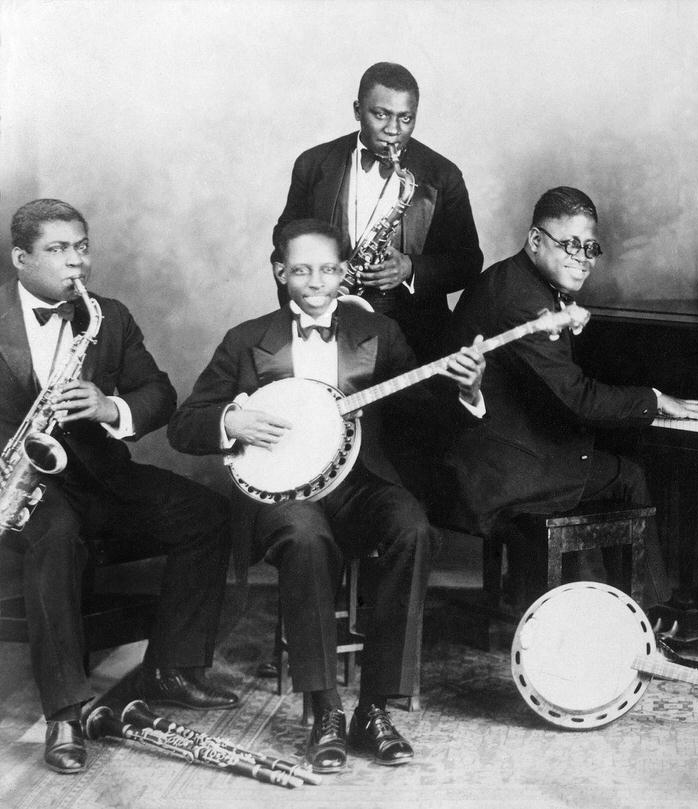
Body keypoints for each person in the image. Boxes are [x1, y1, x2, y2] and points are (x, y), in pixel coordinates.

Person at [169, 219, 485, 773]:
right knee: (305, 537)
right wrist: (231, 421)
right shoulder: (246, 339)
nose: (316, 281)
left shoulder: (380, 332)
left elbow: (426, 417)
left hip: (361, 484)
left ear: (344, 273)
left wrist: (468, 389)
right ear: (280, 272)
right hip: (286, 497)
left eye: (328, 269)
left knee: (412, 527)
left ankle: (374, 709)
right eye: (302, 269)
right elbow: (184, 425)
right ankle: (325, 711)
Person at [2, 199, 236, 773]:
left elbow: (159, 394)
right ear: (20, 258)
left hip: (101, 477)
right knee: (56, 534)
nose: (76, 262)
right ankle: (65, 715)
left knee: (207, 514)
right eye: (58, 250)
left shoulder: (107, 316)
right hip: (21, 485)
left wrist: (110, 406)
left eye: (82, 247)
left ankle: (171, 669)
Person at [442, 186, 698, 608]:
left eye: (590, 247)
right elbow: (577, 399)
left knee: (606, 463)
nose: (582, 258)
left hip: (504, 443)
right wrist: (656, 399)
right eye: (569, 244)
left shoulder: (515, 279)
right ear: (535, 240)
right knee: (627, 476)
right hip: (496, 466)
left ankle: (612, 607)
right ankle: (647, 614)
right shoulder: (522, 299)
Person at [272, 61, 482, 362]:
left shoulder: (444, 176)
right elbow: (283, 243)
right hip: (327, 327)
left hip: (413, 338)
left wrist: (410, 268)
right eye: (380, 115)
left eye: (406, 118)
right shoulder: (313, 164)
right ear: (358, 110)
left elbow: (469, 262)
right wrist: (306, 307)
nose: (393, 131)